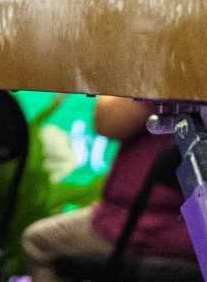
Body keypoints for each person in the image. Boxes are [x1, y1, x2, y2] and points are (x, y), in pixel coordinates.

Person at [20, 96, 195, 280]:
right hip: (200, 227)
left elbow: (108, 121)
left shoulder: (174, 78)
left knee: (37, 242)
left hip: (150, 224)